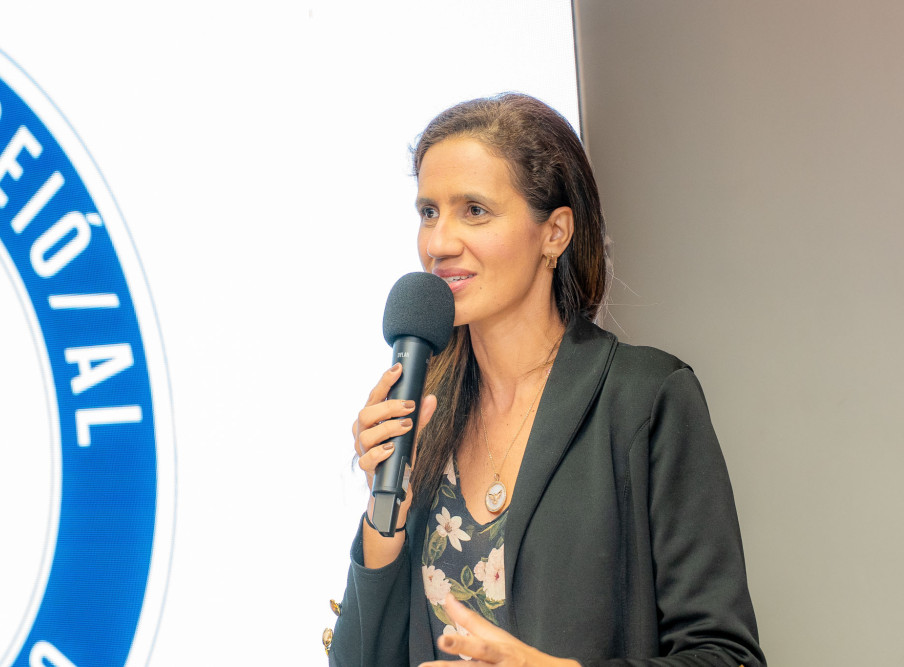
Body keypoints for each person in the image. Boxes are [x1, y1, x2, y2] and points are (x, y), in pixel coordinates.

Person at [327, 93, 765, 667]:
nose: (438, 243)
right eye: (429, 212)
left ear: (555, 232)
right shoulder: (425, 417)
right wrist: (386, 514)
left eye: (474, 210)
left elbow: (726, 657)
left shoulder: (643, 398)